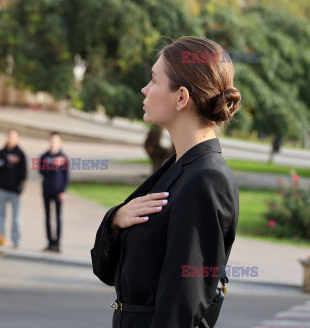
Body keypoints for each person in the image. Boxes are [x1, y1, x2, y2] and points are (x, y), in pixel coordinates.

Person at [91, 36, 241, 328]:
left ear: (181, 97)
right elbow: (105, 269)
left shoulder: (206, 180)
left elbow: (182, 305)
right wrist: (115, 220)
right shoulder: (178, 169)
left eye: (153, 80)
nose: (144, 89)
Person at [0, 129, 27, 248]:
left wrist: (21, 187)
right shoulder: (1, 152)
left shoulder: (20, 154)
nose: (9, 139)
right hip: (2, 189)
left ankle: (16, 239)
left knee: (16, 217)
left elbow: (24, 173)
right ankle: (0, 238)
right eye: (8, 136)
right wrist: (6, 161)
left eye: (12, 137)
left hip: (14, 191)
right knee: (0, 215)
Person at [38, 132, 70, 253]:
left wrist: (63, 191)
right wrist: (52, 164)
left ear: (59, 142)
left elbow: (66, 176)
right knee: (47, 218)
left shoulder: (64, 157)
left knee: (57, 218)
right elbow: (41, 171)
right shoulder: (44, 156)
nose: (53, 143)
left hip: (58, 192)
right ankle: (49, 242)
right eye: (51, 141)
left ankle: (57, 244)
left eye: (55, 141)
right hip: (47, 190)